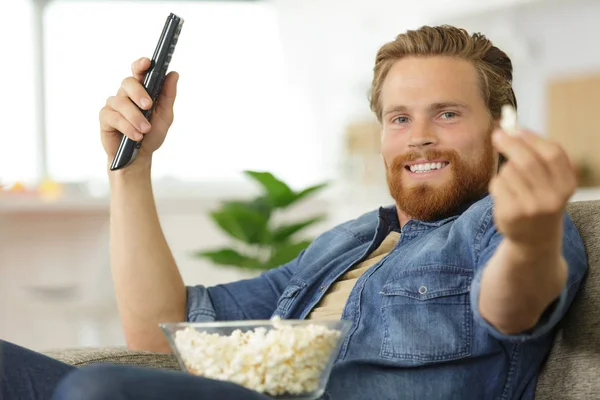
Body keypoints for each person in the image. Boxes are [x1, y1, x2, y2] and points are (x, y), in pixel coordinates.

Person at [0, 24, 588, 400]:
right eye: (400, 117)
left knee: (99, 392)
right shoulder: (349, 244)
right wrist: (131, 169)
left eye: (449, 114)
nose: (420, 137)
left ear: (500, 128)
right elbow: (160, 330)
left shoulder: (510, 227)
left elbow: (511, 304)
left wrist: (529, 238)